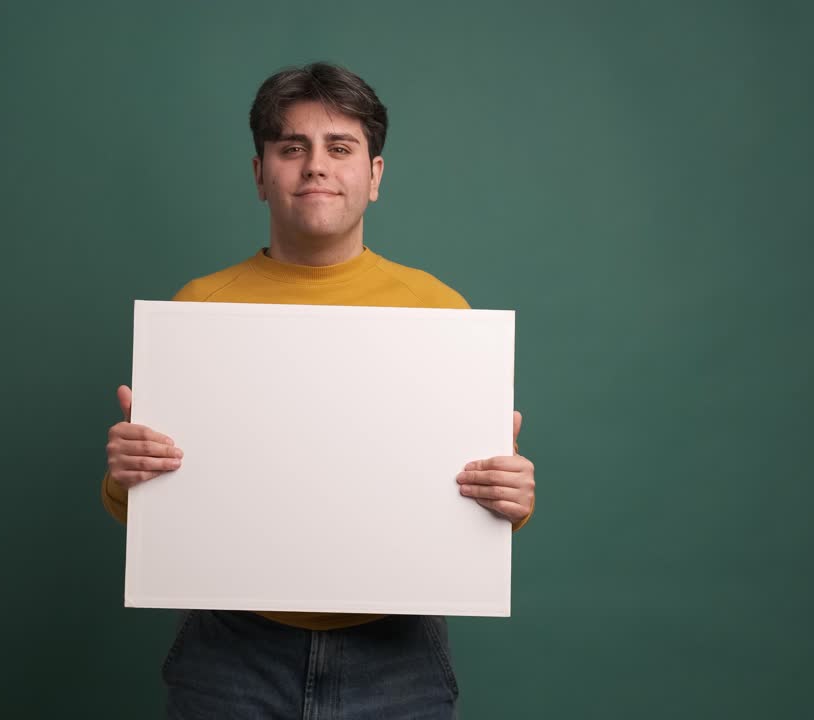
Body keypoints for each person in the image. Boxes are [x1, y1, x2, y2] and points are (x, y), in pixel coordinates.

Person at [101, 62, 537, 719]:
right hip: (231, 652)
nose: (316, 166)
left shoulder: (442, 313)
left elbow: (470, 500)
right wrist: (126, 476)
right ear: (259, 175)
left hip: (398, 653)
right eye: (290, 147)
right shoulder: (198, 310)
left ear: (376, 176)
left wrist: (509, 497)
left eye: (341, 147)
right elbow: (154, 509)